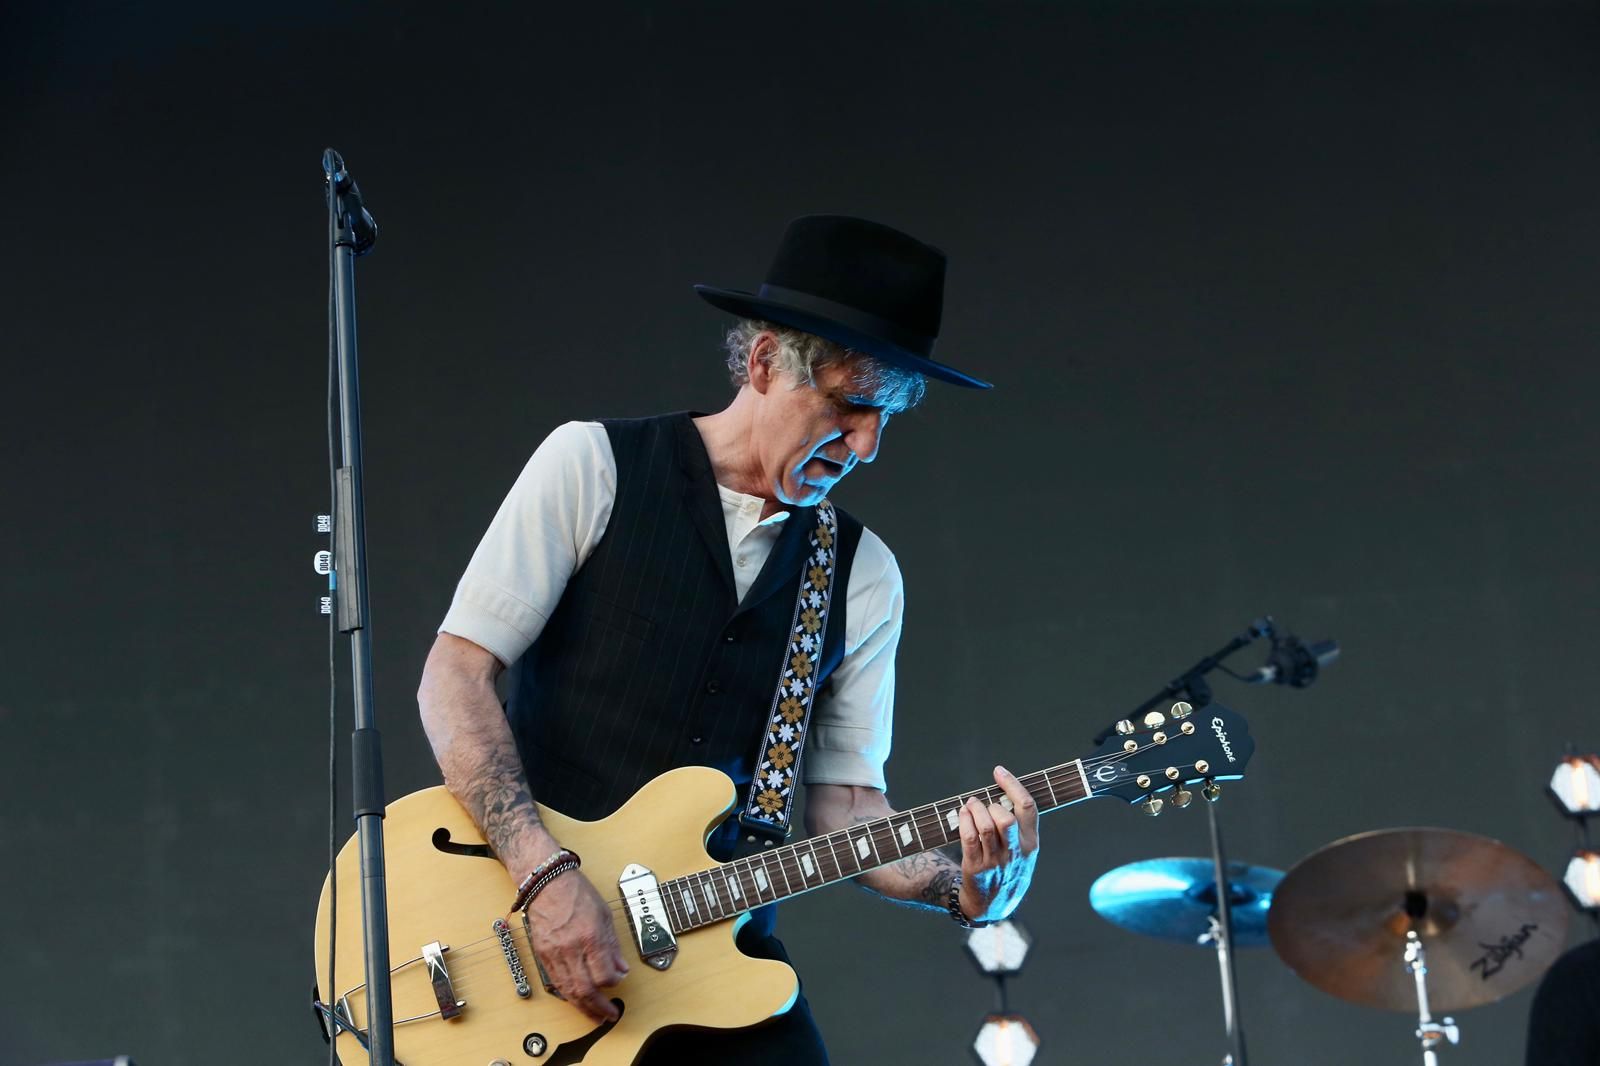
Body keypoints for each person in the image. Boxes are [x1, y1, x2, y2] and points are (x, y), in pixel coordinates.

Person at [416, 215, 1040, 1062]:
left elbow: (848, 807)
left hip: (720, 960)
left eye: (887, 418)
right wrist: (543, 874)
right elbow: (455, 675)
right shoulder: (593, 466)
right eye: (851, 404)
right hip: (528, 932)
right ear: (764, 364)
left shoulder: (861, 574)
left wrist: (962, 888)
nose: (867, 446)